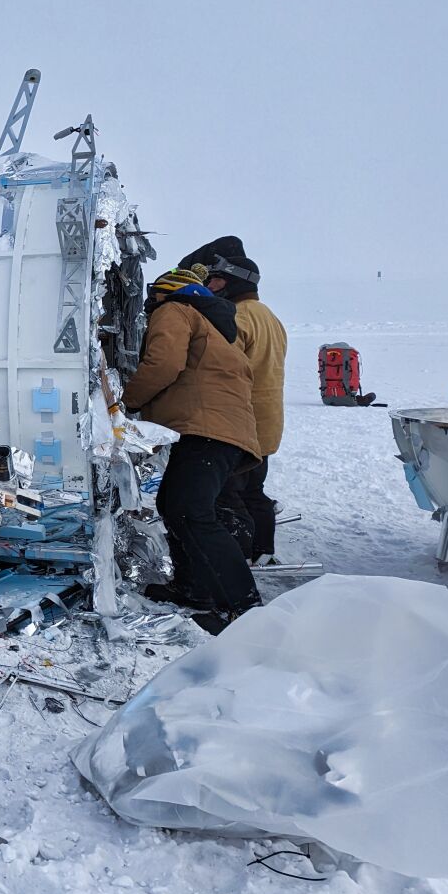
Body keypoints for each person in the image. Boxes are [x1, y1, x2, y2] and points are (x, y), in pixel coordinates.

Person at [123, 266, 262, 634]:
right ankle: (194, 589)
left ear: (162, 292)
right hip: (217, 428)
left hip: (207, 428)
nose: (149, 305)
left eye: (151, 298)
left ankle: (245, 605)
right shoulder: (214, 325)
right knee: (174, 505)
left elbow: (164, 363)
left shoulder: (174, 310)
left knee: (193, 512)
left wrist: (125, 401)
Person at [186, 237, 289, 565]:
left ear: (232, 282)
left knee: (226, 494)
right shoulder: (269, 315)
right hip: (267, 422)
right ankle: (263, 549)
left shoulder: (236, 316)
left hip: (240, 424)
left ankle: (238, 556)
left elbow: (219, 369)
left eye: (216, 280)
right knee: (253, 490)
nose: (211, 286)